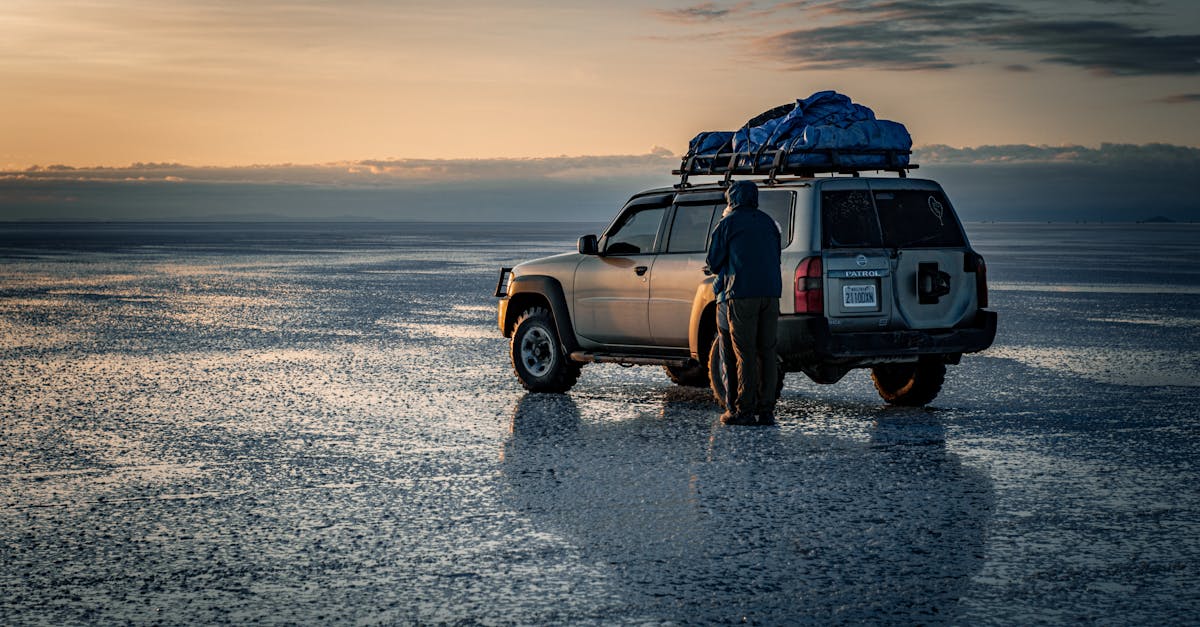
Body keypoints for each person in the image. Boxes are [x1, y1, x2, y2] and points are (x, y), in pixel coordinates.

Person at [705, 180, 782, 426]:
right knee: (767, 352)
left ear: (732, 200)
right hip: (770, 294)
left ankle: (743, 410)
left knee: (744, 353)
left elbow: (714, 261)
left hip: (741, 294)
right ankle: (767, 410)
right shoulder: (769, 223)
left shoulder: (728, 223)